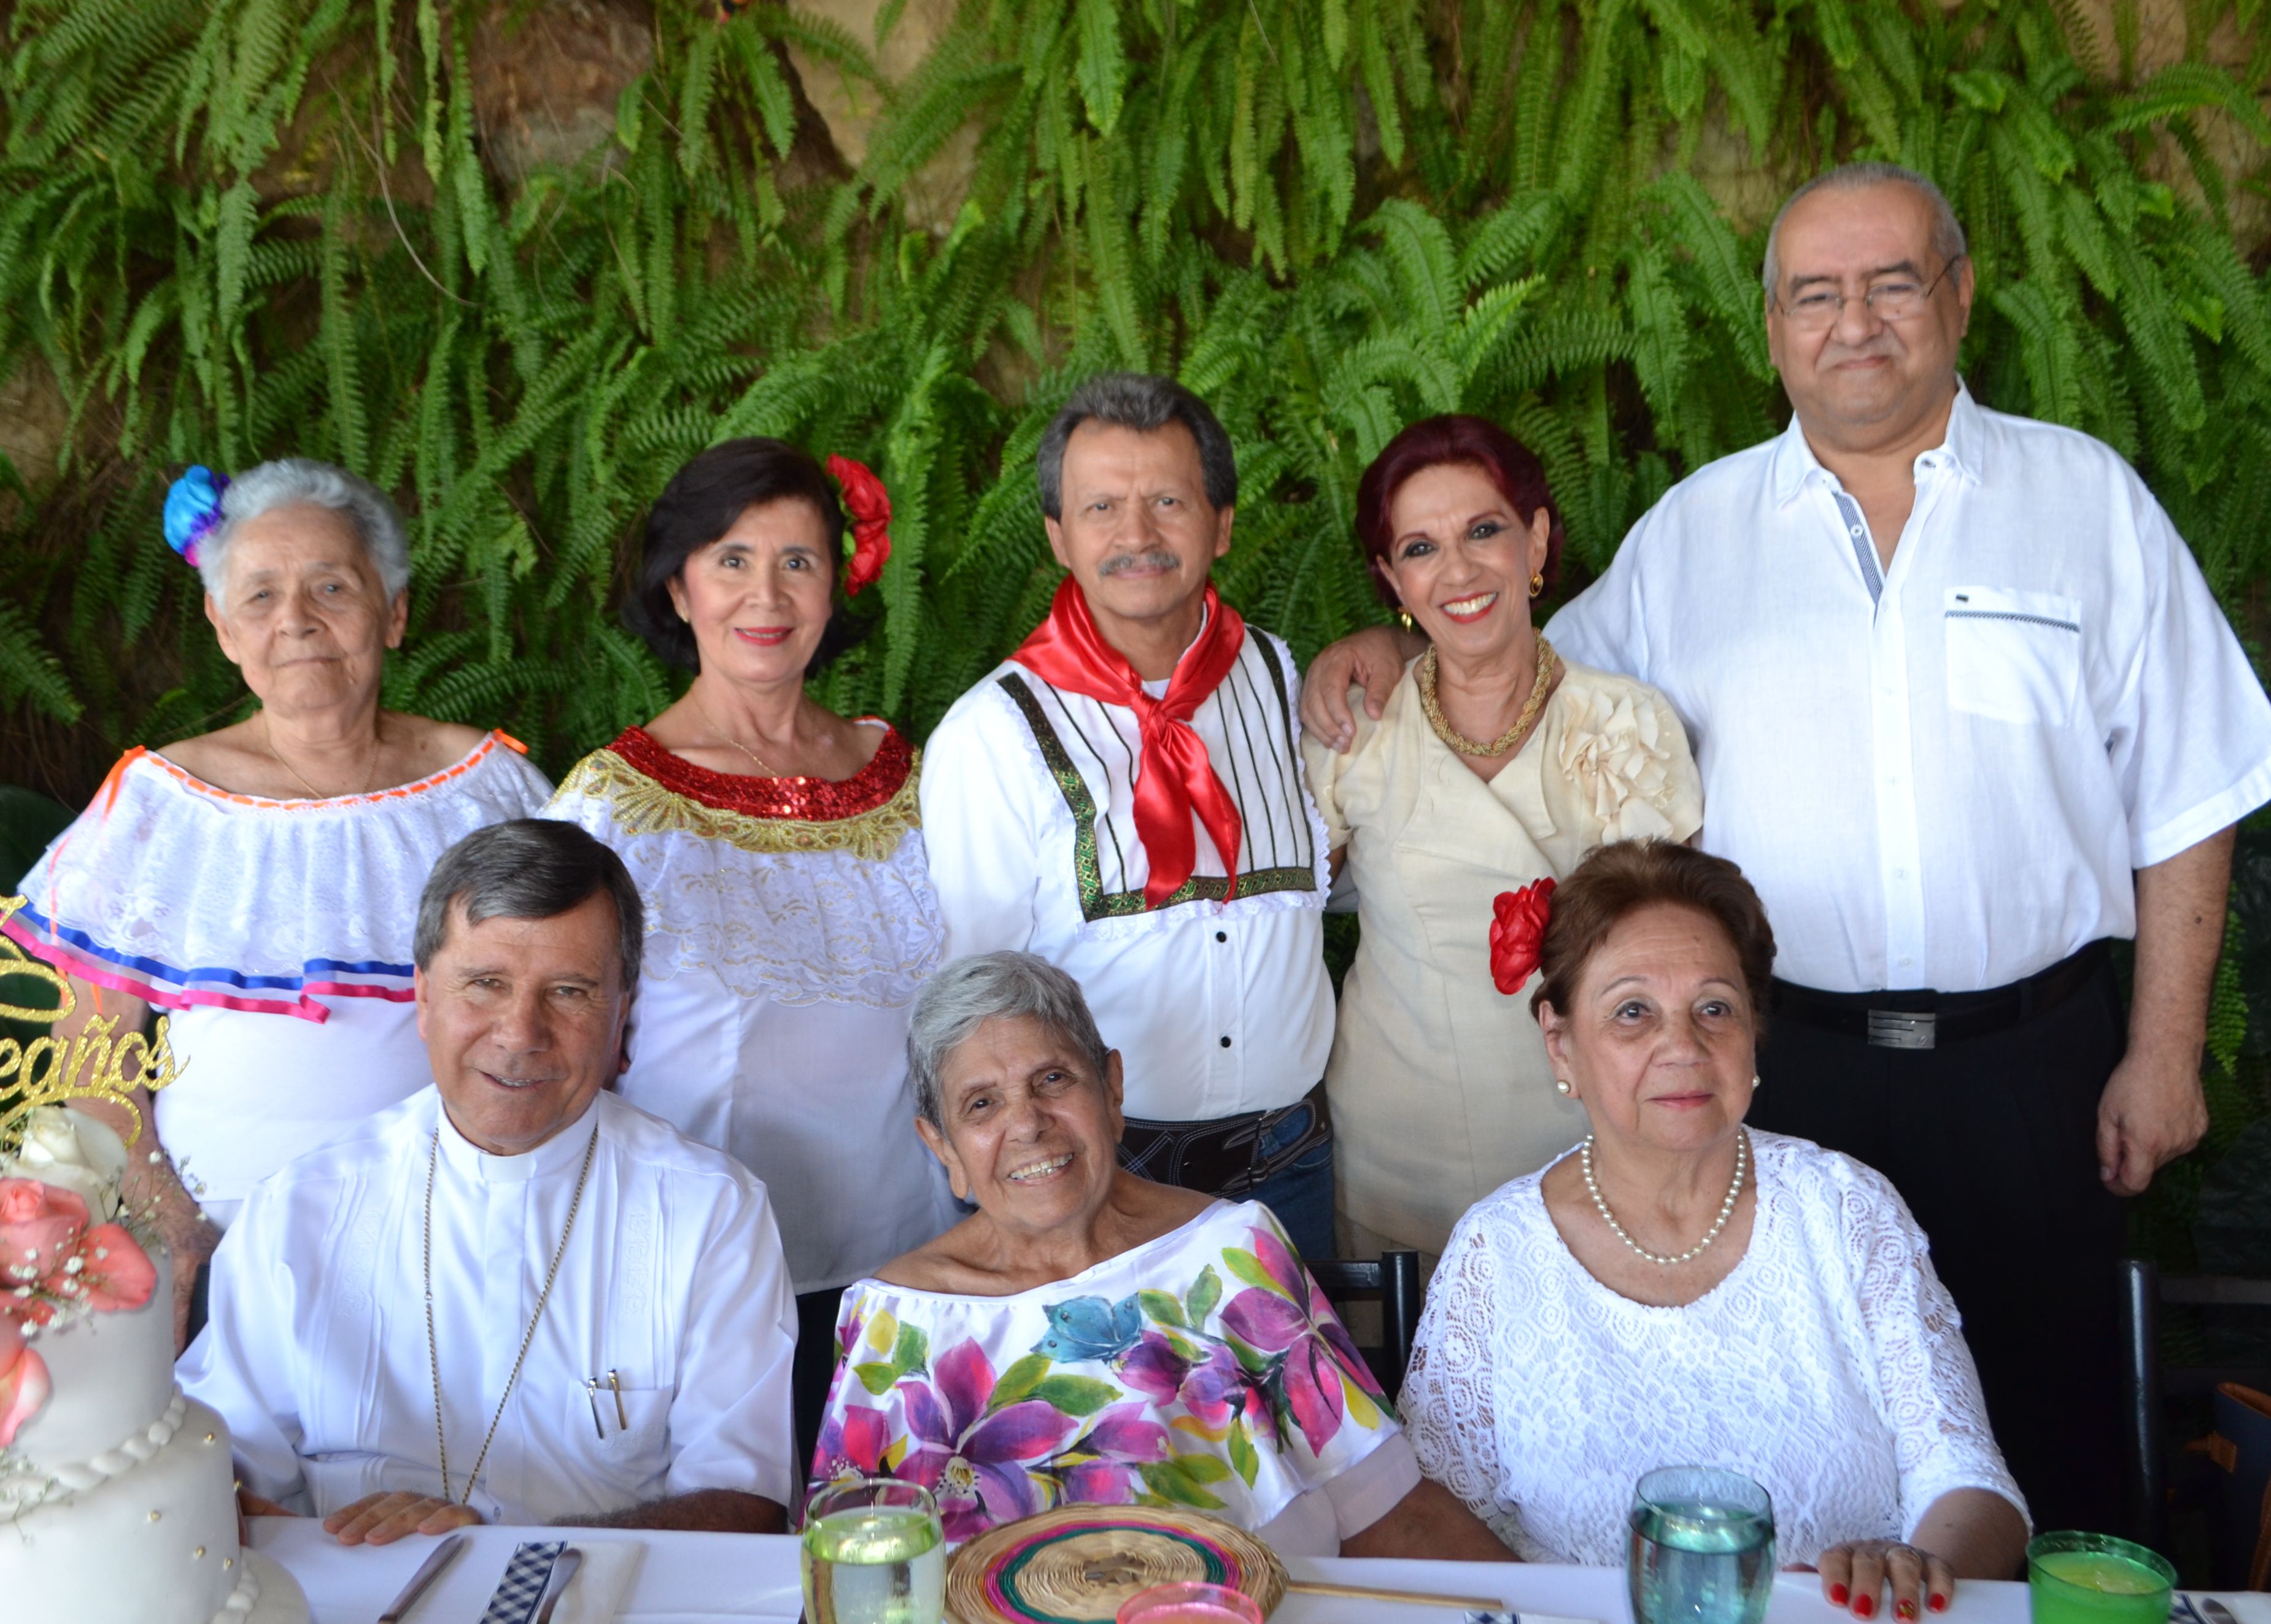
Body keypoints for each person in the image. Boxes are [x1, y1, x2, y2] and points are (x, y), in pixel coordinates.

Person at [1303, 162, 2271, 1529]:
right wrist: (1386, 645)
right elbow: (1514, 667)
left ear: (1956, 296)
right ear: (1768, 328)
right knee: (1805, 1444)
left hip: (2030, 1074)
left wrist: (2164, 1052)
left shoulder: (2085, 503)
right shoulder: (1692, 535)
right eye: (1813, 293)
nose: (1852, 320)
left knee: (2046, 1443)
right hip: (1779, 1068)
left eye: (1889, 283)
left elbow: (2189, 789)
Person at [5, 460, 552, 1344]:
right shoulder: (162, 800)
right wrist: (171, 1222)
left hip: (468, 1236)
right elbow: (90, 1050)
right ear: (224, 629)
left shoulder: (487, 786)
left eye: (331, 586)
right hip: (228, 1246)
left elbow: (571, 998)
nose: (296, 620)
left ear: (395, 611)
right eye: (260, 596)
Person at [1402, 840, 2028, 1609]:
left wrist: (1916, 1568)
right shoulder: (1496, 1251)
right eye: (1633, 1012)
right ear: (1560, 1042)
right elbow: (1435, 1523)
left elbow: (1969, 1479)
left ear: (1753, 1035)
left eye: (1714, 1008)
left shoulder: (1845, 1209)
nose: (1684, 1046)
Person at [179, 819, 798, 1542]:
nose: (519, 1033)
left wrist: (492, 1550)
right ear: (424, 998)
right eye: (485, 985)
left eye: (570, 992)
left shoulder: (712, 1213)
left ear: (622, 1018)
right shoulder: (299, 1211)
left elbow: (747, 1502)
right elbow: (209, 1471)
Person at [810, 950, 1508, 1558]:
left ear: (1111, 1090)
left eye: (1052, 1079)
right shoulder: (895, 1325)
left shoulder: (1232, 1254)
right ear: (943, 1149)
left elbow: (1389, 1508)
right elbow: (856, 1578)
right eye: (982, 1105)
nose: (1026, 1122)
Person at [546, 438, 957, 1465]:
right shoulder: (612, 805)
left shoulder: (910, 773)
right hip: (706, 1272)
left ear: (835, 584)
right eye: (731, 559)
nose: (763, 594)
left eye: (797, 561)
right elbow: (545, 1035)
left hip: (915, 1259)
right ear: (678, 588)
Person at [919, 374, 1337, 1262]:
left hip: (1290, 1165)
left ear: (1221, 522)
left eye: (1168, 501)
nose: (1137, 534)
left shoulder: (1280, 677)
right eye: (1102, 505)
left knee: (1293, 1404)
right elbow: (971, 1008)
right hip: (1098, 1185)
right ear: (1057, 536)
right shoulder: (992, 731)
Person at [1301, 415, 1701, 1265]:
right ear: (1390, 580)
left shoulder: (1625, 724)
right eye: (1420, 548)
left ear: (1538, 539)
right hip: (1393, 1155)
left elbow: (1684, 955)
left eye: (1485, 530)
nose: (1459, 570)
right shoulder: (1356, 733)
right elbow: (1270, 920)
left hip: (1595, 1143)